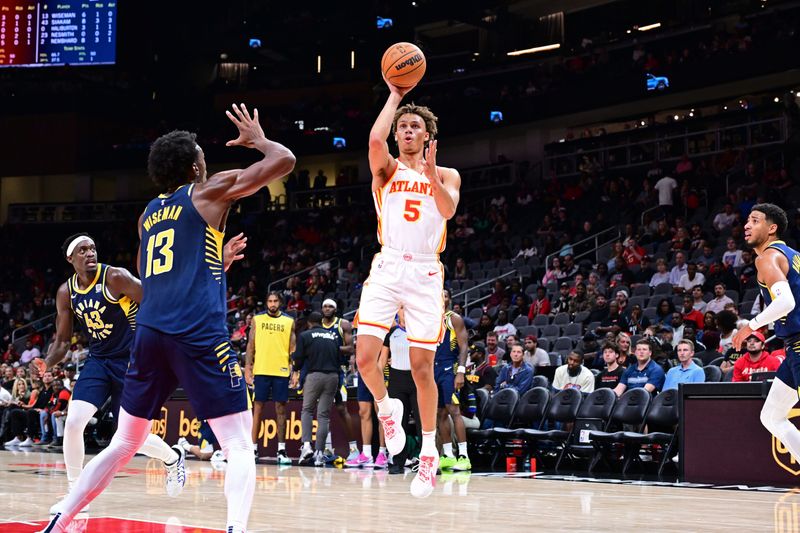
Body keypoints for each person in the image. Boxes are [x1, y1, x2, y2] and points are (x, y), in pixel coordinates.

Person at [40, 103, 296, 533]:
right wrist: (258, 140)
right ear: (196, 164)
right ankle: (235, 529)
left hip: (151, 334)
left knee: (125, 442)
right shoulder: (208, 190)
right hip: (196, 331)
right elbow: (284, 161)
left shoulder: (148, 217)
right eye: (202, 155)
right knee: (237, 442)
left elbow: (159, 277)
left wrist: (219, 261)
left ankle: (61, 519)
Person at [44, 233, 221, 510]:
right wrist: (47, 364)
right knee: (74, 421)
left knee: (128, 438)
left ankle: (173, 458)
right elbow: (63, 341)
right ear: (70, 258)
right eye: (82, 250)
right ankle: (75, 494)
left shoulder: (114, 277)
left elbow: (155, 301)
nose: (90, 253)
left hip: (132, 360)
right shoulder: (66, 292)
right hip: (99, 359)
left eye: (92, 247)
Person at [355, 76, 461, 498]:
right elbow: (372, 142)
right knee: (365, 360)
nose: (407, 131)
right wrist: (395, 97)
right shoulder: (387, 169)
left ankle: (430, 455)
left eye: (415, 126)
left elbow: (448, 209)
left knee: (421, 368)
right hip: (388, 265)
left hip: (425, 274)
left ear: (428, 135)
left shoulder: (448, 174)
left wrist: (433, 174)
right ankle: (386, 409)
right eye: (403, 126)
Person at [730, 204, 800, 468]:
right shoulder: (793, 255)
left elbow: (786, 302)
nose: (747, 225)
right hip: (794, 345)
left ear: (772, 229)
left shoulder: (767, 257)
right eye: (747, 220)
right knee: (771, 416)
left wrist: (751, 326)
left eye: (755, 220)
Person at [247, 292, 295, 464]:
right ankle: (253, 449)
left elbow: (293, 348)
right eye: (270, 301)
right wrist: (247, 368)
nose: (273, 304)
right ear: (266, 303)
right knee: (257, 409)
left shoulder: (289, 321)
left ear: (280, 303)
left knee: (281, 411)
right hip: (261, 370)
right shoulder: (257, 320)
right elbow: (250, 346)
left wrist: (294, 370)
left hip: (281, 371)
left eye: (275, 301)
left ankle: (281, 450)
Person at [293, 312, 344, 466]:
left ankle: (307, 445)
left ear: (309, 323)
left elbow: (299, 358)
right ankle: (319, 454)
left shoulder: (305, 336)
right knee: (323, 416)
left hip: (314, 375)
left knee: (307, 410)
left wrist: (296, 369)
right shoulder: (332, 336)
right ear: (321, 322)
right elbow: (340, 359)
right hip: (333, 377)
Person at [319, 299, 360, 464]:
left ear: (336, 309)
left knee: (342, 409)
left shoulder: (343, 324)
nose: (327, 309)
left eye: (330, 306)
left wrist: (328, 346)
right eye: (325, 306)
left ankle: (354, 449)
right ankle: (327, 449)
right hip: (320, 370)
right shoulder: (317, 326)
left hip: (338, 372)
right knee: (323, 411)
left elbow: (351, 348)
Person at [436, 290, 471, 472]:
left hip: (449, 367)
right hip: (432, 368)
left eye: (445, 295)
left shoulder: (453, 318)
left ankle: (464, 456)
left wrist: (461, 371)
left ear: (450, 299)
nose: (442, 298)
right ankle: (448, 455)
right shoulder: (427, 319)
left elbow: (463, 346)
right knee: (439, 414)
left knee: (454, 411)